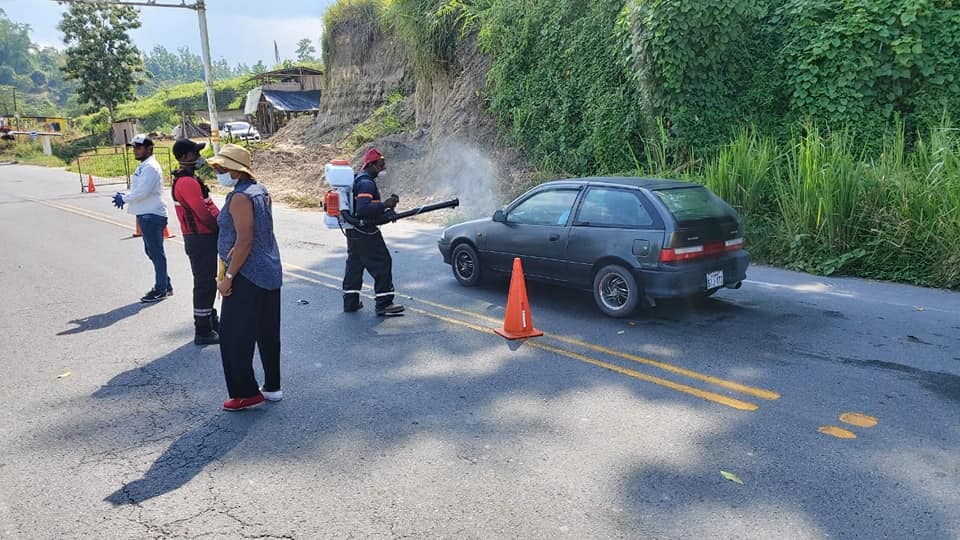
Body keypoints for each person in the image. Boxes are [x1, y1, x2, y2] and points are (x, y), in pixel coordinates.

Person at [208, 144, 283, 411]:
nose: (217, 172)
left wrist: (228, 276)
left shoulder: (240, 197)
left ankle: (245, 393)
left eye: (220, 168)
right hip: (269, 269)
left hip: (247, 273)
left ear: (234, 170)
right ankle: (272, 386)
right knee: (267, 332)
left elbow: (244, 240)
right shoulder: (260, 190)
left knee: (233, 336)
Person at [341, 147, 405, 316]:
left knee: (355, 264)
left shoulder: (359, 179)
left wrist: (384, 212)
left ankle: (350, 302)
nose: (383, 168)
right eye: (380, 165)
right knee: (382, 261)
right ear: (371, 165)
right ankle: (384, 303)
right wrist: (385, 205)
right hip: (365, 232)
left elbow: (365, 208)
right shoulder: (366, 183)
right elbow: (363, 209)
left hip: (354, 231)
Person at [171, 139, 220, 345]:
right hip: (200, 238)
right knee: (204, 284)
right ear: (184, 157)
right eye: (194, 154)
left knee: (208, 282)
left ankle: (210, 321)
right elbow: (203, 214)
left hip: (202, 237)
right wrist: (220, 229)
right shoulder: (187, 182)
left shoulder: (190, 179)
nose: (198, 157)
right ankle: (203, 330)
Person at [112, 134, 172, 303]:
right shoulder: (145, 166)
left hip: (152, 214)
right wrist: (126, 195)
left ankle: (161, 289)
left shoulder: (150, 167)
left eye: (138, 147)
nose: (135, 150)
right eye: (134, 147)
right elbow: (139, 190)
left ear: (149, 148)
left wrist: (124, 198)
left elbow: (143, 192)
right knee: (151, 251)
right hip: (146, 213)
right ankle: (165, 284)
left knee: (156, 253)